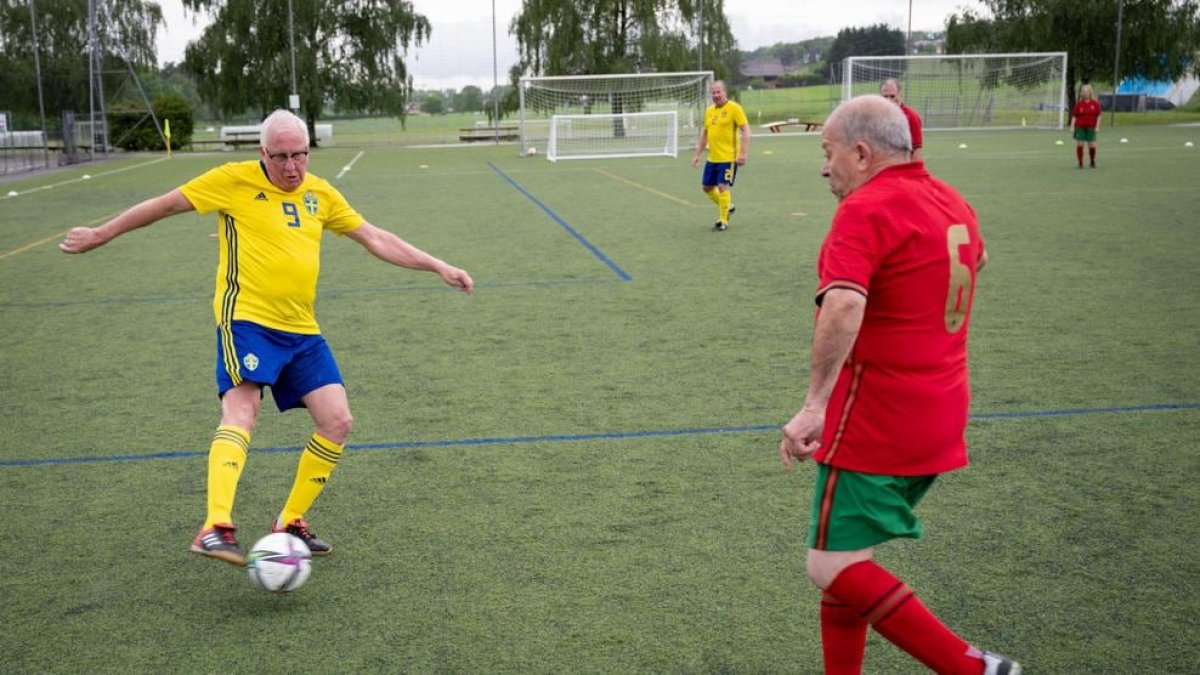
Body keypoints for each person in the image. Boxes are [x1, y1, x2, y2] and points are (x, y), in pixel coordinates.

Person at [60, 109, 474, 567]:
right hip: (247, 321)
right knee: (242, 410)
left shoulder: (321, 193)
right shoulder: (232, 180)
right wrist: (102, 233)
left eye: (300, 154)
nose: (293, 167)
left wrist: (438, 265)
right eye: (281, 157)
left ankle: (289, 522)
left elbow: (374, 237)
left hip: (302, 329)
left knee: (337, 420)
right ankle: (215, 526)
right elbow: (164, 205)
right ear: (262, 152)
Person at [779, 95, 1019, 675]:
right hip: (940, 412)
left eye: (828, 152)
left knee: (830, 565)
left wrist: (813, 406)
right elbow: (978, 260)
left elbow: (843, 304)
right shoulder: (950, 198)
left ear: (862, 154)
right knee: (848, 562)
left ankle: (973, 668)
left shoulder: (864, 210)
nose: (824, 168)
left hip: (876, 418)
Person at [691, 80, 750, 232]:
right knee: (707, 188)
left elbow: (746, 130)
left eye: (719, 92)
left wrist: (743, 153)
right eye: (714, 93)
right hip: (713, 158)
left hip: (729, 158)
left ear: (725, 92)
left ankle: (723, 220)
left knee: (722, 186)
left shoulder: (734, 108)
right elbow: (705, 134)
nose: (716, 95)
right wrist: (698, 154)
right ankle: (727, 206)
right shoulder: (709, 111)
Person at [879, 78, 923, 162]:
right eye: (885, 96)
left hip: (902, 166)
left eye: (892, 96)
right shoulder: (875, 116)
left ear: (900, 95)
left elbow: (917, 151)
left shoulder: (911, 116)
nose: (888, 100)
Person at [1071, 83, 1102, 168]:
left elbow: (1099, 116)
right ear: (1081, 93)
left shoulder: (1095, 104)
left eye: (1087, 91)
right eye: (1084, 91)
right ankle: (1080, 163)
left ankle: (1092, 161)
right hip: (1080, 127)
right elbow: (1074, 116)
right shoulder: (1079, 104)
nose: (1085, 93)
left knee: (1092, 145)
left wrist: (1097, 126)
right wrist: (1072, 126)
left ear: (1090, 92)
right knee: (1080, 144)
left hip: (1091, 128)